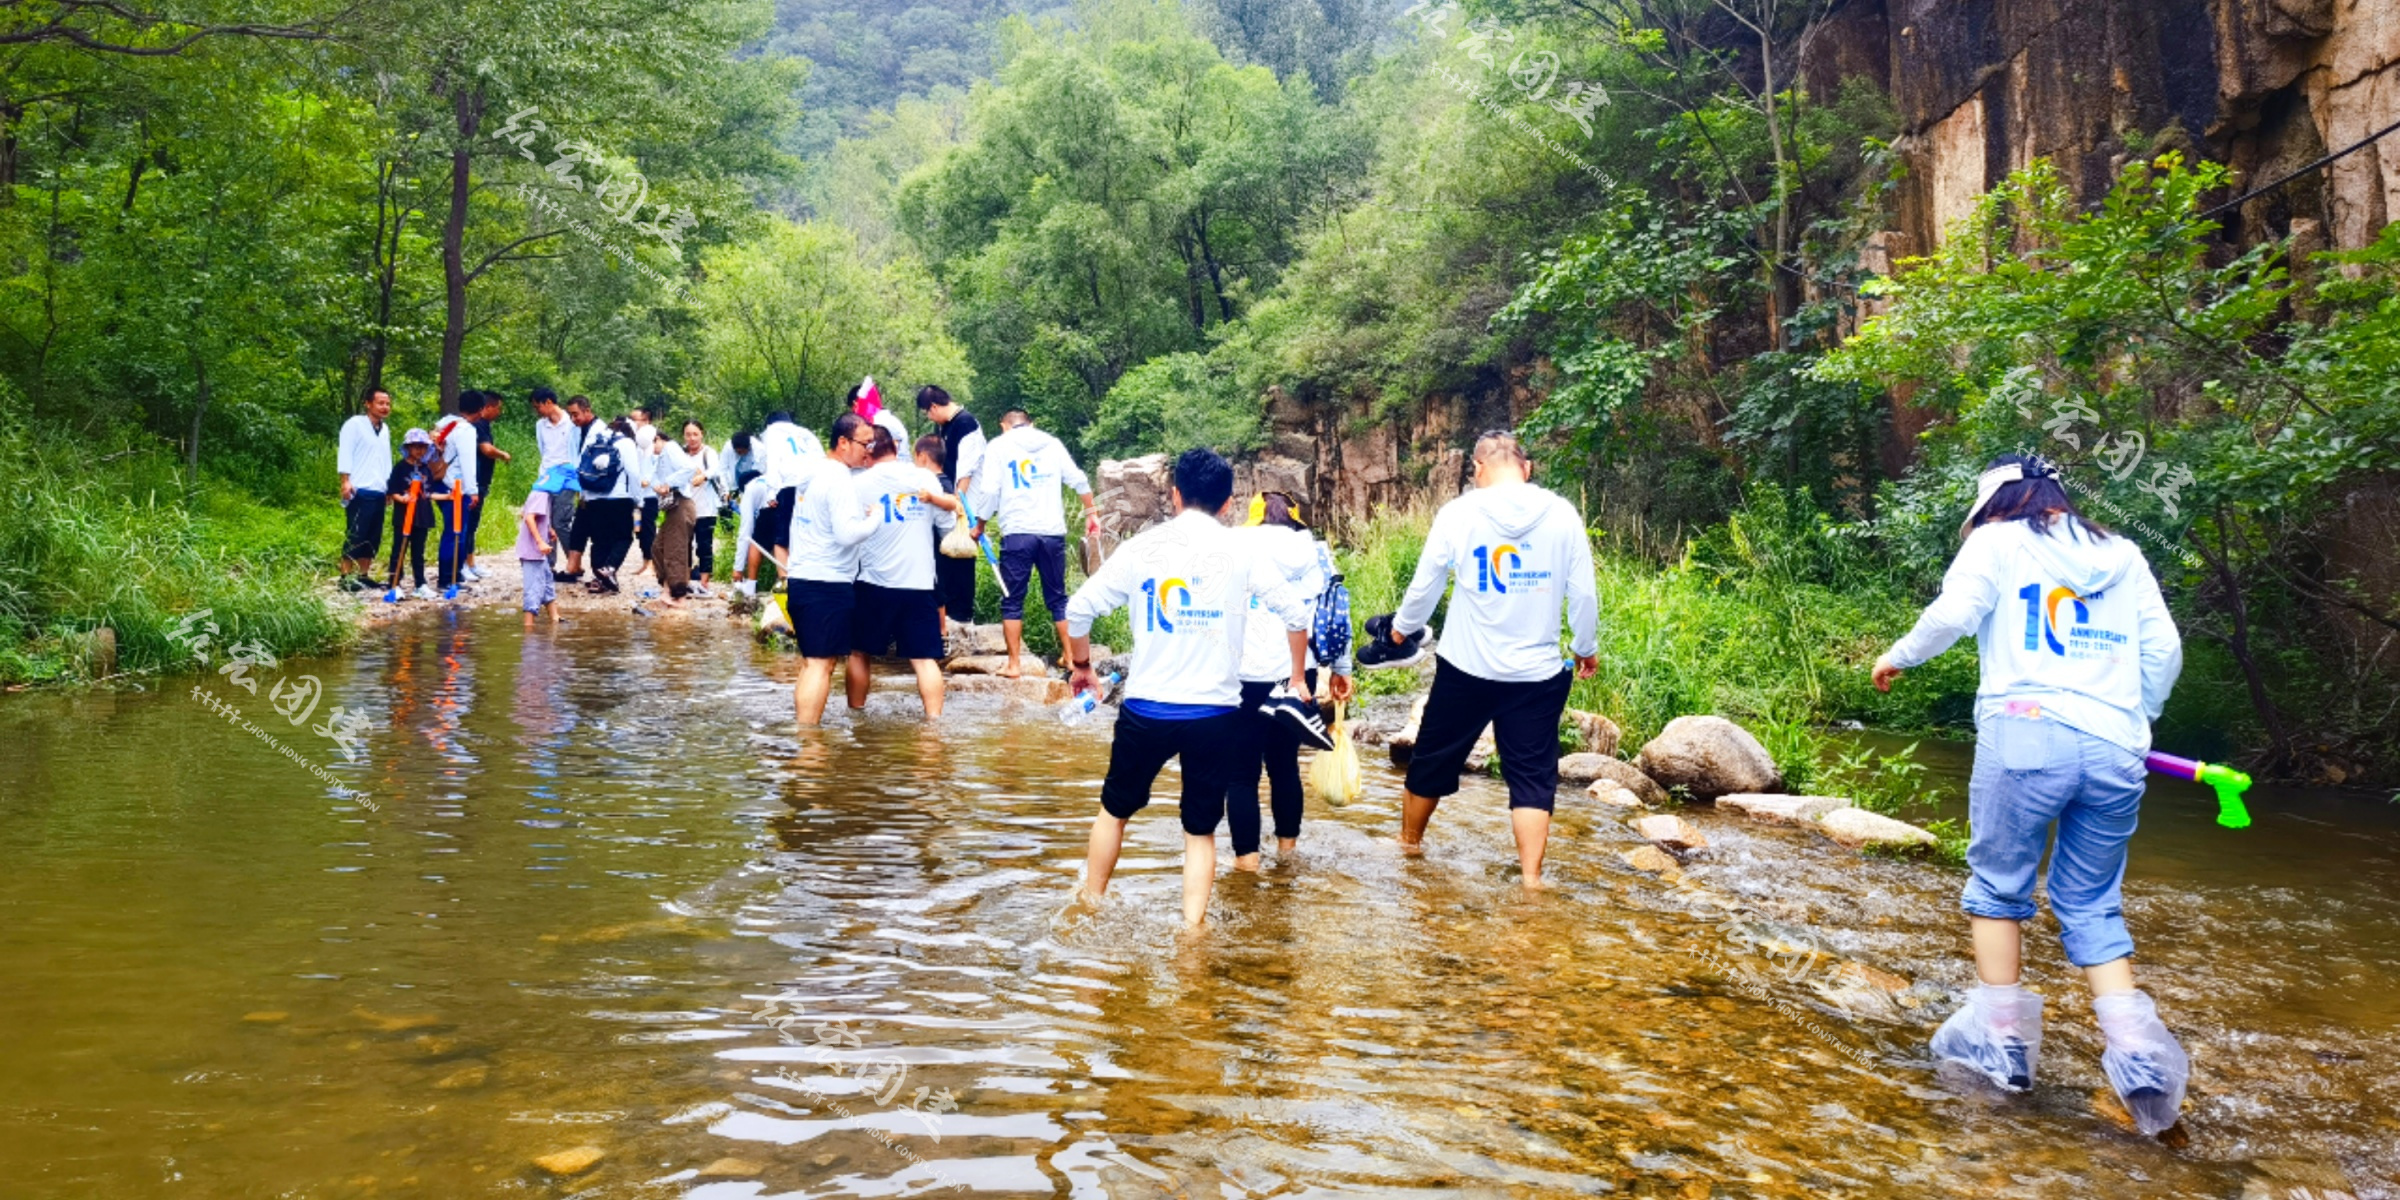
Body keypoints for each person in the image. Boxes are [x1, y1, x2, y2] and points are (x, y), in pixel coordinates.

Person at [1871, 453, 2187, 1133]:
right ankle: (2138, 1060)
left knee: (1999, 888)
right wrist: (2134, 718)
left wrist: (1897, 655)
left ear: (1993, 503)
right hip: (2116, 747)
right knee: (2093, 902)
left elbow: (1955, 612)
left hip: (2024, 733)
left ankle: (2005, 1044)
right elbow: (2165, 653)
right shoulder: (2124, 552)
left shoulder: (1996, 540)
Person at [1063, 448, 1312, 928]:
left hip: (1146, 710)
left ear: (1175, 495)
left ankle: (1089, 908)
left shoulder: (1143, 548)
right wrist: (1297, 677)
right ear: (1226, 504)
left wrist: (1082, 667)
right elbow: (1297, 616)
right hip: (1214, 715)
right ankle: (1192, 933)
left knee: (1114, 812)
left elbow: (1079, 610)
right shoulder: (1243, 550)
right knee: (1199, 830)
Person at [1374, 431, 1597, 885]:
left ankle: (1409, 844)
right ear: (1526, 467)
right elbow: (1584, 593)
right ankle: (1532, 880)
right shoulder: (1562, 514)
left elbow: (1426, 583)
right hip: (1536, 675)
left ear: (1477, 469)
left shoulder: (1459, 513)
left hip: (1466, 669)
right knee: (1533, 777)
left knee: (1432, 759)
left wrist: (1400, 629)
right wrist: (1584, 648)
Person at [1227, 491, 1354, 869]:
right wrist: (1342, 668)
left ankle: (1247, 864)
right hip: (1297, 671)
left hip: (1242, 673)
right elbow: (1336, 610)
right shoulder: (1315, 552)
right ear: (1295, 518)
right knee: (1284, 764)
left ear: (1253, 519)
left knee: (1241, 773)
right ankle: (1288, 854)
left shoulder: (1234, 545)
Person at [967, 409, 1095, 678]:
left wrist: (979, 525)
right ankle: (1071, 658)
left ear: (1004, 426)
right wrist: (1091, 513)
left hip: (1017, 533)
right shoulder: (1052, 443)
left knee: (1012, 600)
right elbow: (1079, 479)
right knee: (1058, 597)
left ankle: (1014, 665)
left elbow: (990, 491)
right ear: (1031, 424)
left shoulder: (998, 446)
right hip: (1052, 534)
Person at [845, 427, 962, 718]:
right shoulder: (924, 478)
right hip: (920, 583)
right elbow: (947, 527)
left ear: (869, 453)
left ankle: (856, 715)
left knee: (859, 652)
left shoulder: (858, 484)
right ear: (895, 448)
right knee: (924, 659)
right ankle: (934, 724)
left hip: (874, 582)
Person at [788, 414, 881, 727]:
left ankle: (804, 735)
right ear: (843, 442)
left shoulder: (813, 472)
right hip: (826, 582)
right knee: (820, 664)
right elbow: (847, 534)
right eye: (864, 443)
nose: (869, 451)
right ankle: (809, 741)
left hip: (802, 579)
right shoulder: (839, 477)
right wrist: (875, 519)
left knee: (812, 663)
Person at [916, 385, 986, 624]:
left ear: (934, 406)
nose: (929, 417)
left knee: (962, 556)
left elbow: (967, 468)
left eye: (928, 411)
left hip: (964, 501)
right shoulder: (945, 426)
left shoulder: (966, 424)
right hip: (948, 499)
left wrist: (958, 501)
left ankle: (963, 614)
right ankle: (948, 614)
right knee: (945, 556)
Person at [754, 409, 827, 582]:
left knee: (781, 540)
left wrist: (771, 493)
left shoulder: (772, 433)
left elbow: (772, 462)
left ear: (769, 423)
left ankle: (786, 583)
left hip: (790, 486)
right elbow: (822, 457)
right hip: (816, 486)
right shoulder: (805, 433)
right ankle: (808, 579)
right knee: (807, 535)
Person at [648, 419, 712, 605]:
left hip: (681, 505)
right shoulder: (662, 455)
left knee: (675, 552)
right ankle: (668, 590)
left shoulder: (671, 448)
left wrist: (668, 483)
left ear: (658, 439)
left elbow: (690, 469)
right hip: (676, 507)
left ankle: (678, 597)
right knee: (658, 548)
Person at [336, 389, 394, 591]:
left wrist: (390, 487)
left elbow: (386, 459)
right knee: (356, 533)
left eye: (387, 403)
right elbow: (345, 451)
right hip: (359, 488)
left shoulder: (384, 429)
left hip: (378, 488)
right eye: (380, 403)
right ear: (368, 404)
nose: (385, 407)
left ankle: (363, 575)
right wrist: (345, 480)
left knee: (373, 534)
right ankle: (345, 576)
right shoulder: (355, 425)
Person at [580, 417, 645, 594]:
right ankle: (609, 569)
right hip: (619, 497)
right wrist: (638, 499)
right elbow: (632, 472)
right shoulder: (626, 443)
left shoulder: (593, 439)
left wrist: (584, 495)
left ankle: (597, 579)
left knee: (599, 540)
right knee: (623, 537)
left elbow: (582, 466)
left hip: (593, 497)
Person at [432, 394, 483, 597]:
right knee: (456, 534)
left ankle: (454, 576)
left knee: (453, 533)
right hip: (456, 487)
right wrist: (473, 491)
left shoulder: (447, 424)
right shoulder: (466, 430)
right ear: (479, 410)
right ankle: (448, 579)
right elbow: (467, 462)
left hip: (440, 482)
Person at [383, 427, 441, 599]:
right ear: (408, 448)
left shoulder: (426, 469)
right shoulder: (400, 468)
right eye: (415, 446)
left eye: (422, 447)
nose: (419, 450)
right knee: (399, 548)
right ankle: (395, 583)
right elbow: (392, 490)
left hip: (421, 514)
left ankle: (420, 584)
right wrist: (402, 499)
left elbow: (428, 493)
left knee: (418, 551)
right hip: (404, 515)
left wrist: (448, 496)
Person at [518, 464, 574, 629]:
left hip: (537, 552)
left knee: (547, 582)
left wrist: (548, 529)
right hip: (532, 552)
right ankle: (528, 627)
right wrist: (540, 541)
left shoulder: (541, 493)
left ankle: (555, 618)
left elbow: (525, 512)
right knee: (533, 588)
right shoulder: (541, 495)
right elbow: (529, 518)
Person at [558, 395, 606, 581]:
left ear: (587, 410)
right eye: (570, 415)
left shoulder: (601, 431)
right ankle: (572, 566)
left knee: (596, 531)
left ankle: (600, 571)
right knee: (578, 527)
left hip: (598, 489)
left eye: (576, 414)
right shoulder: (576, 430)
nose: (573, 419)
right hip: (582, 486)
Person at [465, 390, 509, 580]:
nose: (499, 412)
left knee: (472, 524)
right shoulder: (479, 425)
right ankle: (463, 565)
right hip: (475, 482)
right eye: (497, 408)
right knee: (468, 523)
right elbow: (486, 449)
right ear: (488, 407)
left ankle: (471, 562)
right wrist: (503, 454)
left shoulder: (483, 425)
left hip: (480, 481)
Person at [629, 405, 661, 573]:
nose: (632, 423)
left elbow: (654, 464)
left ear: (646, 420)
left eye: (635, 420)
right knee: (638, 529)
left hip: (649, 493)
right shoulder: (634, 440)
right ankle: (646, 560)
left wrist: (647, 480)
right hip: (636, 493)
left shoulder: (649, 436)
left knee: (648, 528)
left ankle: (653, 563)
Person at [531, 387, 577, 472]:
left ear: (548, 402)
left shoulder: (572, 423)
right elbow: (542, 450)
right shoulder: (540, 425)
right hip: (546, 474)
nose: (536, 411)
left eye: (537, 407)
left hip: (568, 473)